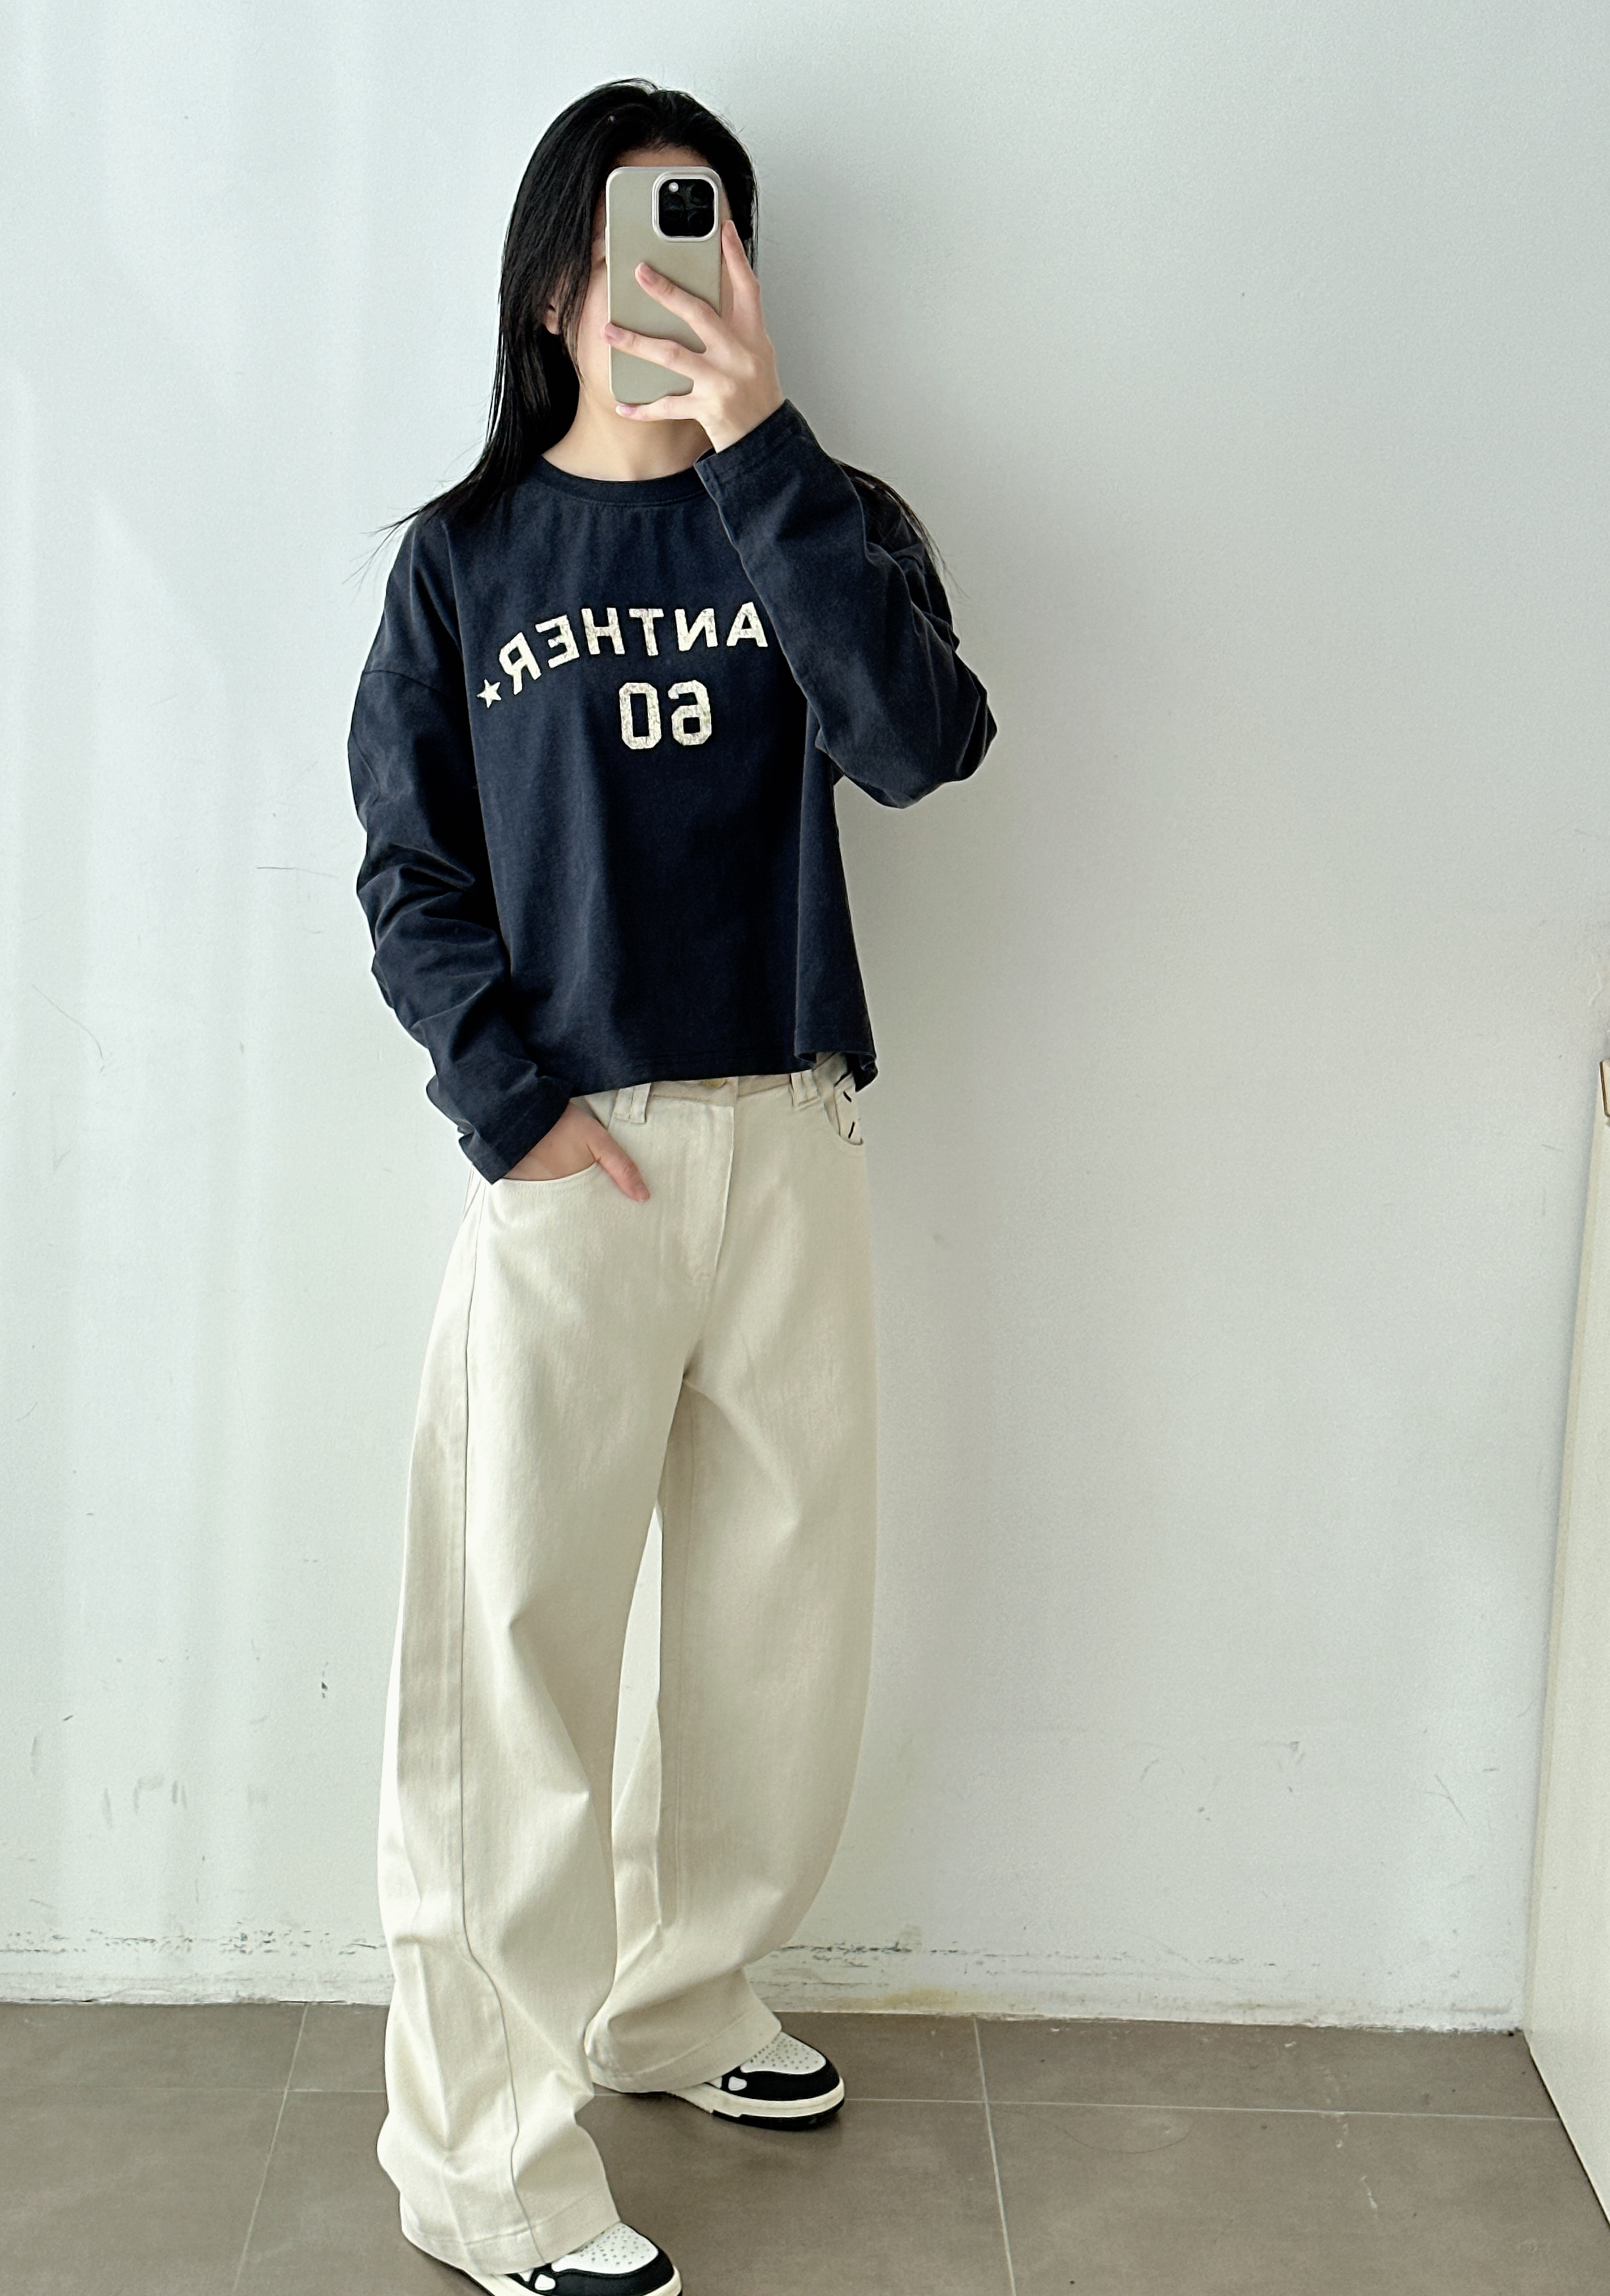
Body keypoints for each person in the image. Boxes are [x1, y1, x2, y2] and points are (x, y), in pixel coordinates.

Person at [347, 79, 995, 2296]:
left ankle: (678, 1996)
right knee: (513, 1664)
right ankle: (484, 2168)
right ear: (553, 285)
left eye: (705, 237)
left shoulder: (813, 510)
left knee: (774, 1631)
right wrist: (510, 1107)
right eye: (630, 241)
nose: (666, 284)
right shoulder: (465, 561)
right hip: (577, 1161)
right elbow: (410, 872)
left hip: (790, 1128)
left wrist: (759, 443)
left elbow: (919, 742)